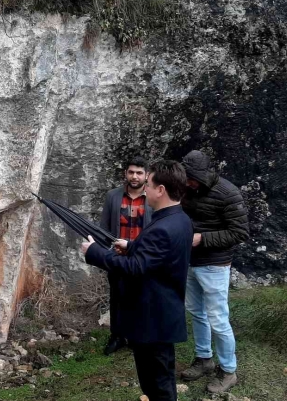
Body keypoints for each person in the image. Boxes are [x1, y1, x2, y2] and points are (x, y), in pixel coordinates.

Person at [82, 160, 192, 401]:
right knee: (160, 377)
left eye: (149, 185)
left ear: (160, 190)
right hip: (162, 313)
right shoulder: (180, 219)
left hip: (152, 317)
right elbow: (158, 257)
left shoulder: (162, 227)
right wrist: (132, 245)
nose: (145, 190)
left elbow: (136, 268)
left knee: (157, 383)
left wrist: (94, 252)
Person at [179, 150, 249, 394]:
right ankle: (203, 359)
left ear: (202, 174)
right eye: (185, 178)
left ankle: (229, 371)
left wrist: (202, 239)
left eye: (191, 178)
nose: (187, 183)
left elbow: (240, 232)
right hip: (189, 262)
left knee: (218, 318)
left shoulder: (228, 193)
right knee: (197, 313)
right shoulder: (187, 189)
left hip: (215, 264)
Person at [98, 157, 153, 355]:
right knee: (117, 296)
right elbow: (104, 228)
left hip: (142, 256)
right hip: (118, 256)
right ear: (125, 174)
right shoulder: (113, 196)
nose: (135, 176)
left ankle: (138, 336)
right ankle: (117, 336)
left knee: (141, 297)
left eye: (139, 173)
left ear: (146, 175)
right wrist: (105, 253)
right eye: (131, 172)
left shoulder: (152, 198)